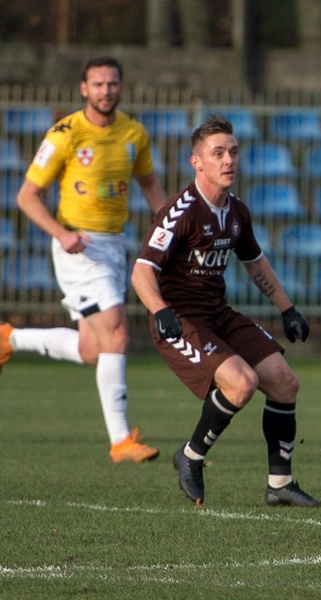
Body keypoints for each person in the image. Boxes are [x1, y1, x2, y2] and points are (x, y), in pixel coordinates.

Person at [131, 115, 321, 508]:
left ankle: (280, 484)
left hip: (217, 312)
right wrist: (160, 310)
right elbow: (141, 272)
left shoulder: (236, 212)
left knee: (285, 381)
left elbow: (255, 262)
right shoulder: (180, 211)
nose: (228, 160)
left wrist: (287, 308)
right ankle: (190, 457)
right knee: (240, 384)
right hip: (180, 319)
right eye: (217, 153)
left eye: (233, 151)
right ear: (196, 162)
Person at [0, 56, 167, 463]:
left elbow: (149, 183)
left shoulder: (134, 133)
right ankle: (120, 441)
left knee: (95, 349)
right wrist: (61, 234)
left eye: (112, 84)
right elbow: (26, 196)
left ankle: (9, 339)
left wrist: (169, 231)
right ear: (83, 89)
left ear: (121, 87)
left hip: (114, 245)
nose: (105, 91)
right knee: (117, 333)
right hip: (78, 248)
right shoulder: (65, 134)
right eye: (98, 84)